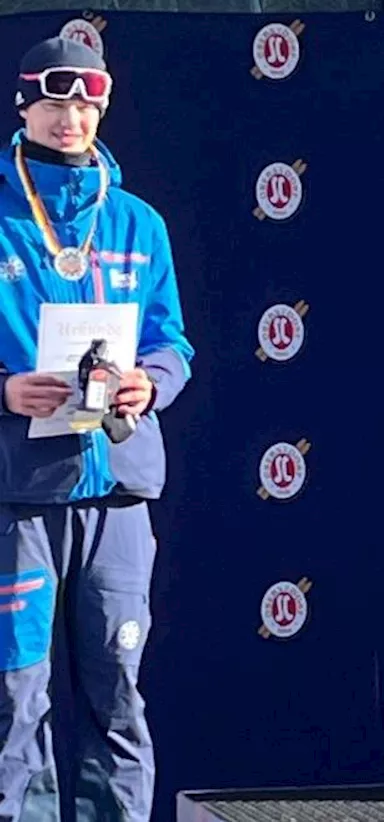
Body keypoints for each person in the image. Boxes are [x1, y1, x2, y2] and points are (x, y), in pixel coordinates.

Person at [0, 37, 194, 822]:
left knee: (118, 689)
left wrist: (154, 383)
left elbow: (173, 342)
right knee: (18, 694)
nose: (70, 118)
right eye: (54, 102)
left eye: (85, 103)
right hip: (19, 493)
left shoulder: (137, 222)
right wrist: (5, 389)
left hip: (116, 488)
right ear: (23, 105)